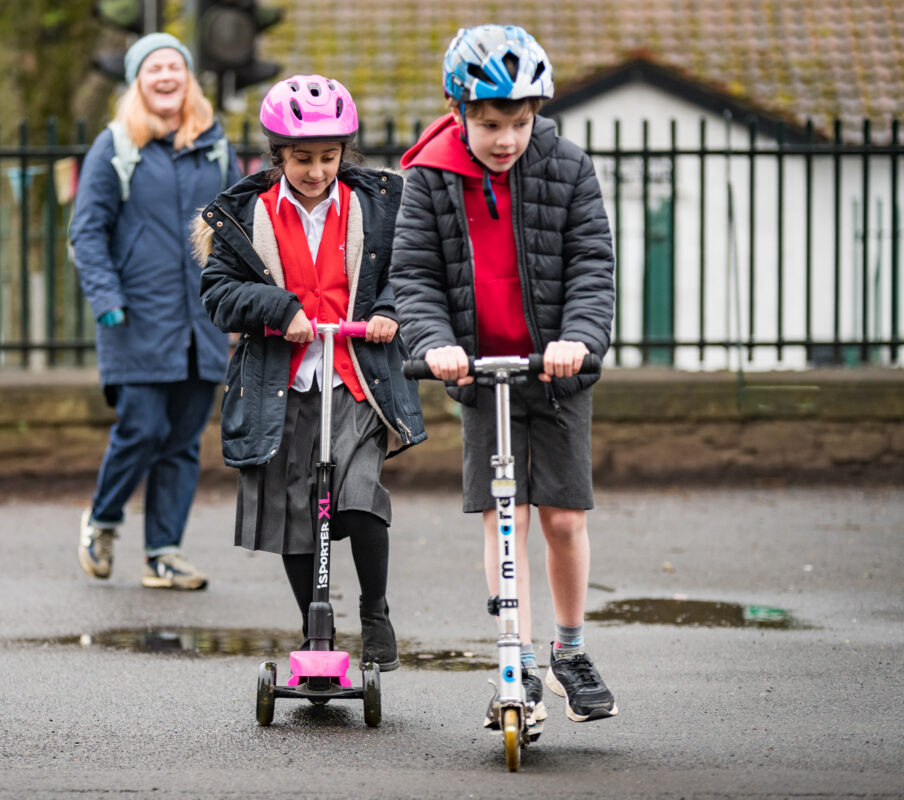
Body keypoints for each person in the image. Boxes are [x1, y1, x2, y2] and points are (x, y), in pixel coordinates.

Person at [390, 25, 618, 724]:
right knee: (504, 515)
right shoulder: (429, 178)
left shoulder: (569, 168)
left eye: (520, 122)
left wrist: (579, 339)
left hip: (553, 372)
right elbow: (414, 277)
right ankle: (512, 654)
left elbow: (591, 266)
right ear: (459, 111)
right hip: (483, 374)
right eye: (491, 124)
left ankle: (570, 650)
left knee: (564, 518)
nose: (506, 139)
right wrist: (434, 345)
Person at [194, 75, 427, 670]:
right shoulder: (247, 215)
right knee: (296, 513)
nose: (317, 171)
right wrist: (280, 310)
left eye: (329, 158)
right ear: (277, 157)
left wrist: (386, 312)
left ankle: (375, 610)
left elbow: (408, 274)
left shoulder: (377, 204)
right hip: (284, 382)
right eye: (302, 160)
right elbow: (219, 295)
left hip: (356, 379)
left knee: (355, 498)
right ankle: (314, 630)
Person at [70, 32, 241, 590]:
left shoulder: (215, 148)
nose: (166, 76)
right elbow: (87, 232)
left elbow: (240, 231)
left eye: (175, 67)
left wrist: (240, 306)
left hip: (203, 321)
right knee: (142, 428)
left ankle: (164, 552)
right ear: (137, 82)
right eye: (153, 68)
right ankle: (104, 519)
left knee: (183, 440)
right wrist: (107, 299)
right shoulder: (115, 146)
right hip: (135, 317)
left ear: (188, 79)